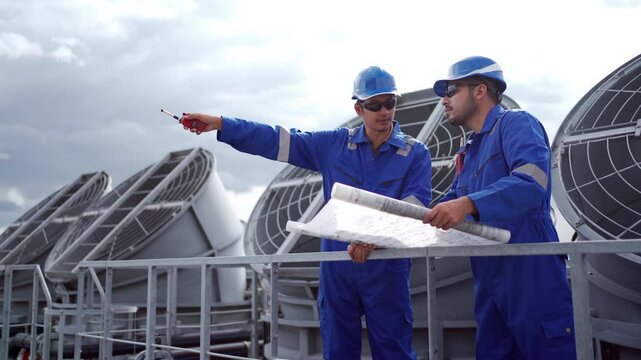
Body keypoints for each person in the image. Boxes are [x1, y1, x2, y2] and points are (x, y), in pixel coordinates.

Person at [181, 66, 432, 359]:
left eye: (390, 102)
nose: (385, 111)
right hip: (339, 266)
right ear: (359, 108)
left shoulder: (416, 154)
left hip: (387, 268)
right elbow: (278, 139)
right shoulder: (334, 145)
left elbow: (415, 207)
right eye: (375, 105)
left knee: (394, 352)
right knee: (338, 351)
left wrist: (372, 239)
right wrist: (222, 124)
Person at [423, 56, 577, 359]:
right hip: (488, 274)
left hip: (531, 266)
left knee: (548, 349)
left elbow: (532, 181)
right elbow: (448, 206)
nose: (444, 100)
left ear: (480, 91)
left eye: (451, 90)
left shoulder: (518, 123)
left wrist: (469, 203)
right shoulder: (469, 148)